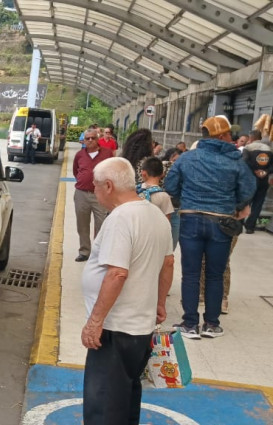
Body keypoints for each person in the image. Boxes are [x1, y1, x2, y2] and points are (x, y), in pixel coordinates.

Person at [80, 157, 174, 425]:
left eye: (95, 186)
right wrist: (159, 303)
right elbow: (168, 263)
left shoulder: (121, 218)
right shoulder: (156, 215)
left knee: (104, 406)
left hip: (116, 329)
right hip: (139, 328)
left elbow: (117, 273)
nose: (94, 191)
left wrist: (95, 321)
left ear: (108, 186)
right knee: (126, 399)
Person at [164, 116, 255, 339]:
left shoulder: (187, 158)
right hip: (222, 221)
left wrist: (187, 198)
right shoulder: (235, 160)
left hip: (190, 219)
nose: (232, 138)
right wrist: (234, 205)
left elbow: (170, 185)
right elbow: (248, 189)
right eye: (229, 134)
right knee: (215, 274)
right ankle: (211, 324)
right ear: (222, 136)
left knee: (191, 274)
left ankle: (189, 324)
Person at [72, 128, 114, 262]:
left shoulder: (107, 153)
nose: (90, 140)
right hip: (82, 194)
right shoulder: (79, 155)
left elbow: (113, 171)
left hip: (100, 195)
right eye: (87, 138)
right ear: (83, 140)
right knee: (82, 224)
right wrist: (84, 181)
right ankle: (84, 251)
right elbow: (75, 171)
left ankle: (98, 253)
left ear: (98, 139)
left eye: (93, 138)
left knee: (101, 224)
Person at [242, 137, 272, 233]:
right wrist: (265, 172)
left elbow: (244, 161)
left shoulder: (248, 148)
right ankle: (250, 227)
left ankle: (239, 223)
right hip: (263, 180)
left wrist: (255, 170)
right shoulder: (270, 150)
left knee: (245, 202)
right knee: (258, 204)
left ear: (252, 138)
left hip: (249, 179)